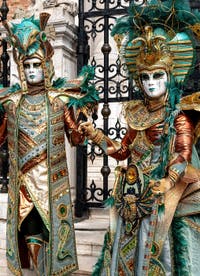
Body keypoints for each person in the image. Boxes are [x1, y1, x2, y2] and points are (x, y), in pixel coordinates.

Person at [79, 7, 200, 276]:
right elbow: (122, 151)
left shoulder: (179, 115)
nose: (151, 83)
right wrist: (95, 135)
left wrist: (167, 181)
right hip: (132, 197)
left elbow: (183, 154)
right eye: (145, 77)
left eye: (158, 75)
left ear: (171, 75)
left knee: (161, 253)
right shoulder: (136, 113)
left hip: (164, 197)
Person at [0, 13, 98, 275]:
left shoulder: (58, 101)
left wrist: (85, 124)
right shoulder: (12, 104)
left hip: (52, 185)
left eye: (37, 64)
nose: (32, 70)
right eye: (28, 65)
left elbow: (74, 138)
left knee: (49, 230)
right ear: (21, 68)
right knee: (28, 227)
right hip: (23, 185)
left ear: (46, 66)